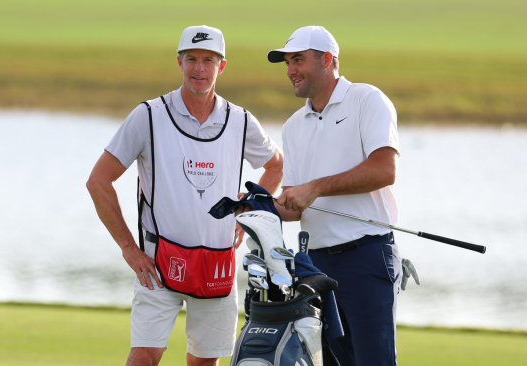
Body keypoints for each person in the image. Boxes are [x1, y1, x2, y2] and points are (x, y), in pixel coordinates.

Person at [87, 25, 283, 366]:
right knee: (145, 356)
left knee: (204, 362)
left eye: (208, 60)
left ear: (222, 67)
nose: (199, 69)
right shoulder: (148, 116)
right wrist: (130, 250)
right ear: (179, 62)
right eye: (191, 58)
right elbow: (99, 181)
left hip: (217, 262)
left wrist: (250, 206)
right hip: (158, 263)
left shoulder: (240, 120)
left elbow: (275, 165)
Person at [267, 26, 417, 366]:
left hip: (367, 255)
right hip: (316, 265)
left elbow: (384, 170)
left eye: (298, 60)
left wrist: (316, 187)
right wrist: (262, 206)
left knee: (373, 361)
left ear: (327, 59)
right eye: (288, 62)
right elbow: (295, 203)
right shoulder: (293, 125)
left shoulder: (367, 99)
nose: (291, 70)